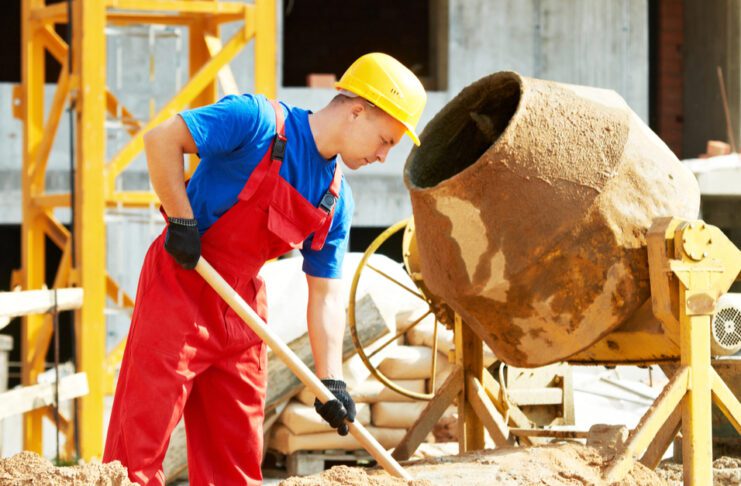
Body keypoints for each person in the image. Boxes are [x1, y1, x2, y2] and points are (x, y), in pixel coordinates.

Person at [103, 52, 427, 485]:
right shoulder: (254, 121)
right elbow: (161, 139)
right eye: (386, 140)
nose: (384, 156)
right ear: (357, 112)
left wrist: (331, 382)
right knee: (138, 446)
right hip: (182, 281)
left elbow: (324, 295)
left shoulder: (336, 200)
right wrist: (181, 219)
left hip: (240, 309)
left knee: (234, 460)